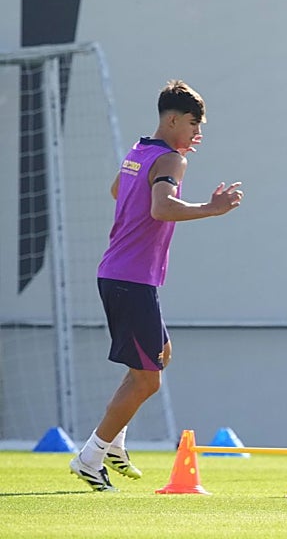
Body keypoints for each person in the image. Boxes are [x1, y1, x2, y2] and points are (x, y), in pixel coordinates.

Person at [69, 80, 243, 492]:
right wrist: (211, 209)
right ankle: (90, 457)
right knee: (148, 379)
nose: (197, 134)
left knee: (160, 354)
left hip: (121, 274)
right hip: (130, 278)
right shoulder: (170, 160)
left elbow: (118, 189)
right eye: (193, 125)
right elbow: (161, 207)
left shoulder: (139, 151)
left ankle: (113, 443)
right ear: (172, 119)